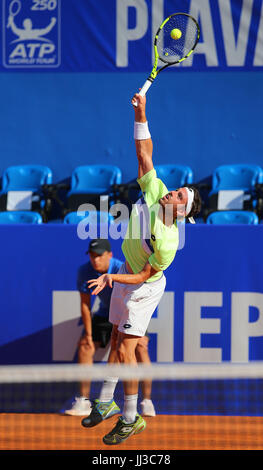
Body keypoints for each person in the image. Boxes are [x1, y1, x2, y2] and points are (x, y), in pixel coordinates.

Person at [81, 94, 202, 445]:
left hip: (143, 287)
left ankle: (131, 417)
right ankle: (105, 403)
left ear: (182, 212)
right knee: (116, 340)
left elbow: (141, 278)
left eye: (180, 197)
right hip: (126, 274)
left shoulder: (167, 243)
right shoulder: (156, 192)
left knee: (125, 351)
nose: (173, 194)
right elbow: (144, 153)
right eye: (177, 191)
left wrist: (111, 275)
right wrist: (142, 113)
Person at [64, 238, 156, 418]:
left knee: (141, 348)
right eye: (92, 256)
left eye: (99, 256)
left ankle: (147, 400)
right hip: (104, 314)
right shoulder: (84, 271)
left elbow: (136, 299)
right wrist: (89, 336)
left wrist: (131, 332)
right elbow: (85, 306)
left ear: (109, 255)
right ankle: (84, 401)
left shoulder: (122, 269)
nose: (95, 260)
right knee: (84, 346)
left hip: (130, 311)